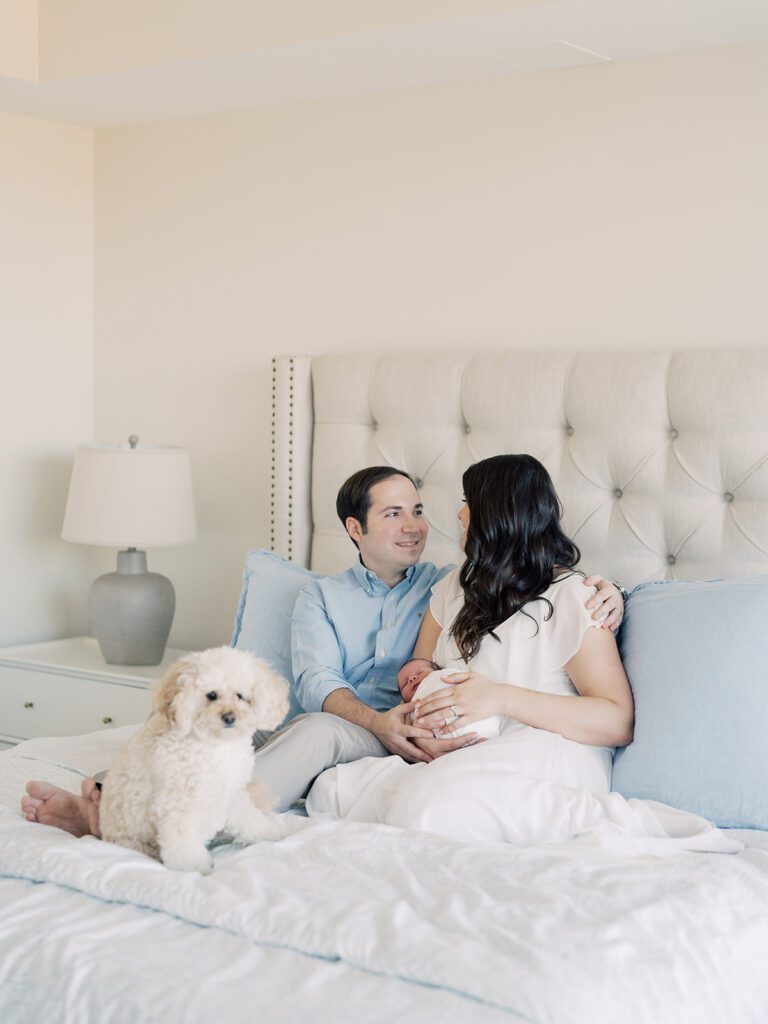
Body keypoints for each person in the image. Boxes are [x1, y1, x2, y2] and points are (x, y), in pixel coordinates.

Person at [21, 465, 624, 836]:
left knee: (309, 738)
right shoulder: (324, 596)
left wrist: (610, 590)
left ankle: (182, 822)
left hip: (397, 735)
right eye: (394, 514)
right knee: (208, 723)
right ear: (356, 530)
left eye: (420, 510)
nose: (418, 524)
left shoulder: (447, 579)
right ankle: (114, 792)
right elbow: (317, 682)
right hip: (358, 720)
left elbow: (522, 602)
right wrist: (393, 710)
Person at [305, 456, 740, 854]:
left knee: (424, 806)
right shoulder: (451, 588)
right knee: (333, 790)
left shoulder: (574, 596)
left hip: (551, 747)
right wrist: (424, 723)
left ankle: (585, 816)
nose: (458, 515)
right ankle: (454, 793)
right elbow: (421, 676)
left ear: (496, 513)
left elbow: (616, 721)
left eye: (466, 502)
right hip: (467, 747)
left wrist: (501, 698)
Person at [397, 657, 503, 740]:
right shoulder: (409, 710)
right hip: (438, 737)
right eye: (405, 684)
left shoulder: (443, 676)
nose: (412, 678)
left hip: (475, 712)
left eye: (419, 672)